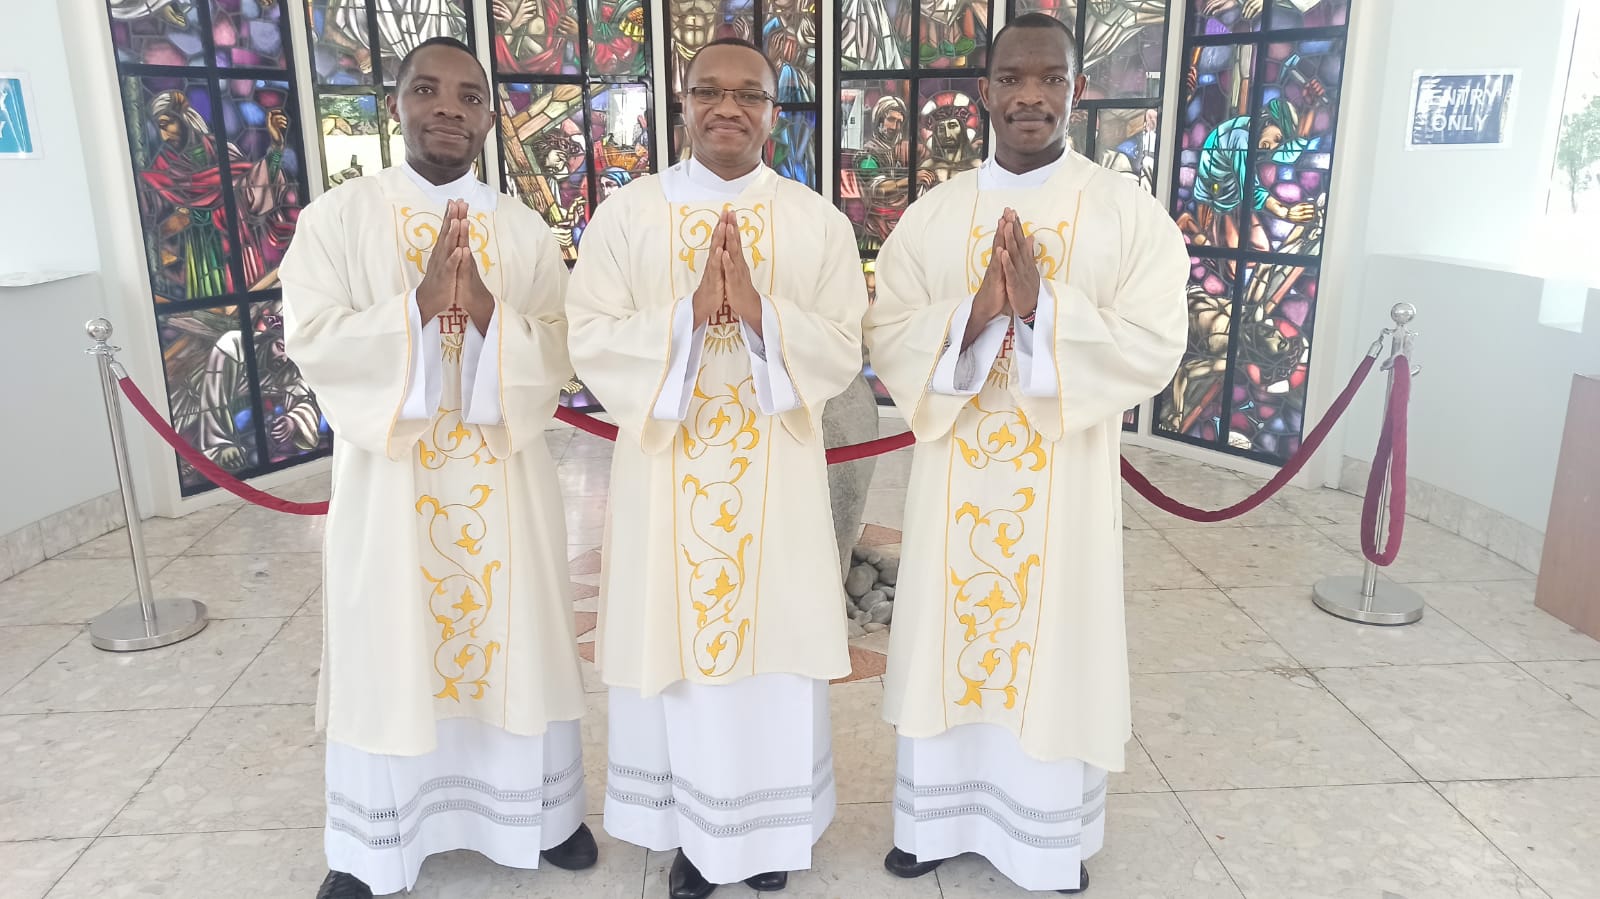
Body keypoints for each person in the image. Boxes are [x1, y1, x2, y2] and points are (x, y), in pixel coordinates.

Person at [864, 13, 1188, 894]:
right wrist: (972, 316)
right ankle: (933, 821)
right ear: (986, 91)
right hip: (955, 482)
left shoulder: (1126, 213)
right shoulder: (935, 215)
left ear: (1078, 90)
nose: (1031, 96)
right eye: (1013, 79)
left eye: (1051, 79)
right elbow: (888, 329)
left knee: (1054, 642)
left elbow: (1156, 340)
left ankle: (1044, 839)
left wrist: (1046, 310)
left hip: (1064, 487)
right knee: (949, 631)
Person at [279, 37, 594, 899]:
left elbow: (561, 350)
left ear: (488, 117)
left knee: (516, 633)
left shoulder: (523, 230)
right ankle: (376, 844)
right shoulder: (336, 220)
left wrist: (488, 314)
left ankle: (542, 814)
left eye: (467, 96)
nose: (448, 108)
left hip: (506, 484)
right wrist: (414, 310)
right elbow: (312, 339)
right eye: (427, 90)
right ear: (397, 105)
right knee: (391, 644)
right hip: (390, 491)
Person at [565, 37, 867, 899]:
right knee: (681, 659)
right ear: (683, 104)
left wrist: (764, 316)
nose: (728, 107)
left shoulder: (816, 220)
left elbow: (843, 342)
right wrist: (686, 320)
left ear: (773, 111)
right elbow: (589, 335)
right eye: (708, 91)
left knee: (772, 662)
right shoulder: (629, 214)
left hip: (778, 480)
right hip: (666, 480)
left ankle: (767, 833)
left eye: (749, 94)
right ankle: (693, 837)